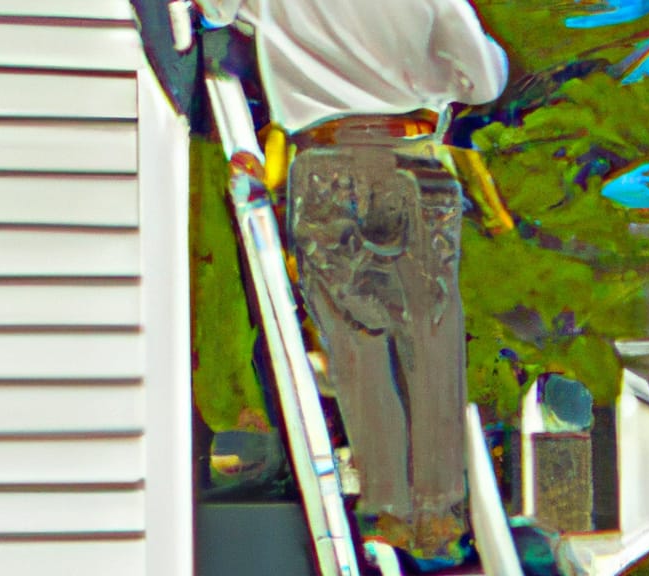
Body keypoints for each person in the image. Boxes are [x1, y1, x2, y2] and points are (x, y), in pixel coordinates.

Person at [194, 0, 508, 565]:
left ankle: (386, 508)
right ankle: (436, 515)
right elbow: (483, 83)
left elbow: (213, 14)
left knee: (356, 338)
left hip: (325, 161)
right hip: (415, 157)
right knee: (432, 336)